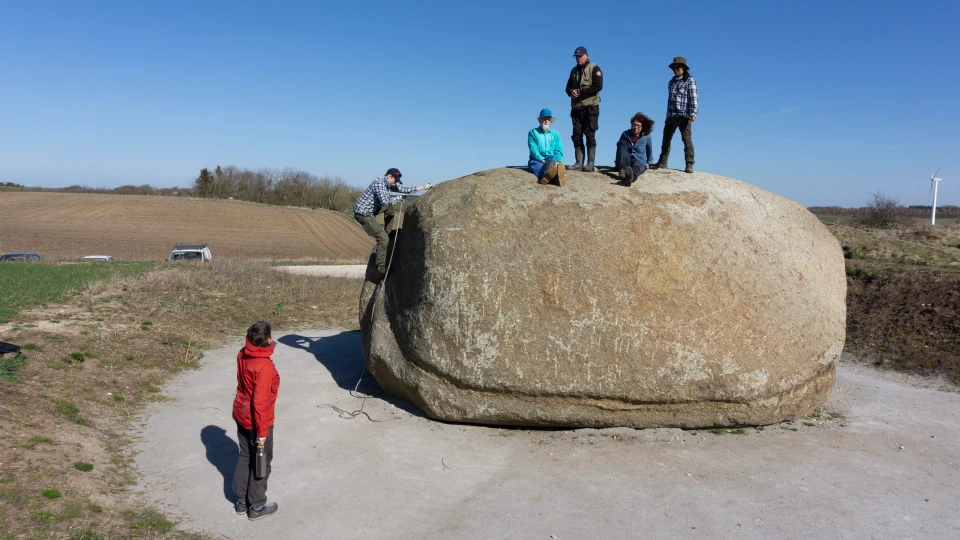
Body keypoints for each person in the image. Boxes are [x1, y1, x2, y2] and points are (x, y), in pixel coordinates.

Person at [231, 320, 280, 521]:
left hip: (241, 413)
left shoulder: (243, 353)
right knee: (261, 460)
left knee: (245, 456)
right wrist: (262, 433)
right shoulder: (264, 366)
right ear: (268, 339)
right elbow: (260, 403)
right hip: (258, 420)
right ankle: (257, 505)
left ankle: (242, 501)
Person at [353, 168, 433, 277]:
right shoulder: (379, 183)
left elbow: (405, 189)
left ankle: (388, 232)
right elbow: (386, 202)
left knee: (390, 210)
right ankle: (380, 269)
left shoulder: (389, 184)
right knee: (382, 238)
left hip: (371, 210)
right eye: (394, 180)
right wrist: (399, 198)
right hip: (363, 213)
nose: (395, 183)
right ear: (388, 176)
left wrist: (423, 187)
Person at [650, 56, 698, 173]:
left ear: (683, 68)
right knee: (666, 140)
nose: (676, 70)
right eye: (674, 68)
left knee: (687, 140)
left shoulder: (689, 80)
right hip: (671, 115)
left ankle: (689, 164)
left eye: (678, 67)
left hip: (684, 116)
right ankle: (663, 162)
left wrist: (693, 112)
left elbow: (693, 97)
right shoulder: (671, 82)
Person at [565, 46, 603, 172]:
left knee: (590, 134)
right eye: (576, 56)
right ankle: (578, 163)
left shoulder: (594, 68)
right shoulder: (573, 71)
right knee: (576, 135)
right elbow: (567, 88)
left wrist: (581, 92)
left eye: (580, 56)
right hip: (576, 108)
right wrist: (572, 92)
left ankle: (590, 164)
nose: (578, 58)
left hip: (590, 107)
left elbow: (598, 86)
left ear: (586, 55)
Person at [527, 108, 566, 186]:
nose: (546, 121)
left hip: (550, 157)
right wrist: (542, 159)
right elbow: (533, 149)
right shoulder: (533, 132)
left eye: (548, 119)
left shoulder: (555, 134)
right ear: (539, 120)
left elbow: (558, 149)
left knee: (553, 160)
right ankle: (554, 177)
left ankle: (550, 174)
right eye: (544, 118)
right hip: (537, 159)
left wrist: (559, 160)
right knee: (538, 166)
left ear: (551, 120)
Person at [615, 112, 655, 186]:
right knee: (621, 143)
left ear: (642, 126)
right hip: (627, 159)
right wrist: (617, 162)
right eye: (634, 125)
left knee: (636, 168)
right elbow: (620, 149)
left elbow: (649, 150)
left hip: (639, 159)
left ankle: (630, 178)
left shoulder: (647, 136)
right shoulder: (625, 134)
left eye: (638, 125)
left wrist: (650, 163)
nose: (635, 127)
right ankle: (622, 170)